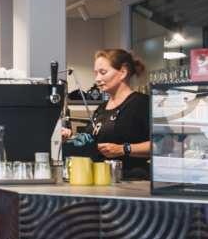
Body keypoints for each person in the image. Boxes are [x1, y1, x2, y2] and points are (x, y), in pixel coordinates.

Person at [62, 49, 151, 179]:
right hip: (103, 180)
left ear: (123, 72)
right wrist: (71, 137)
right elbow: (90, 140)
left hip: (133, 181)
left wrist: (124, 149)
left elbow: (164, 145)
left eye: (103, 72)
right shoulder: (101, 108)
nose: (97, 79)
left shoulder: (141, 103)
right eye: (96, 73)